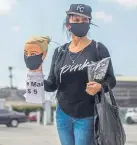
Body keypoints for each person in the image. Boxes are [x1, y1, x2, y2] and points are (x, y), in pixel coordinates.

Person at [44, 4, 116, 145]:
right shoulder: (59, 52)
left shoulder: (98, 49)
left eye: (85, 20)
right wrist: (36, 78)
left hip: (87, 114)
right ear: (68, 25)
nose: (81, 23)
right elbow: (52, 84)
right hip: (62, 114)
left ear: (89, 23)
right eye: (76, 20)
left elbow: (111, 80)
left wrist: (100, 86)